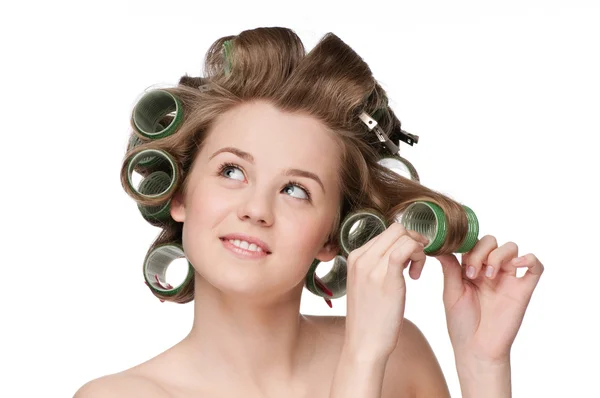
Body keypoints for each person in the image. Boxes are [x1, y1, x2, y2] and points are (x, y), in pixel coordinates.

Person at [74, 27, 544, 397]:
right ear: (180, 195)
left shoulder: (402, 357)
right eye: (232, 171)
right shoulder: (119, 395)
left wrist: (483, 366)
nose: (256, 209)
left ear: (330, 235)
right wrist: (361, 361)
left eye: (296, 189)